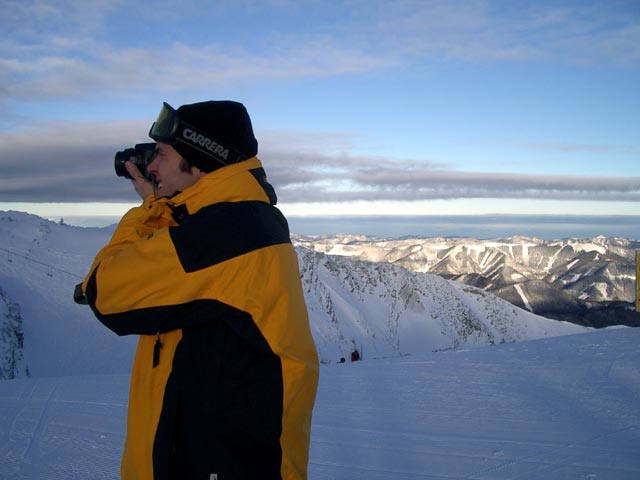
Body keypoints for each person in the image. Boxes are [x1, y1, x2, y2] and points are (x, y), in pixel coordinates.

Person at [75, 100, 319, 479]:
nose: (151, 167)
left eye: (162, 155)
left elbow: (106, 292)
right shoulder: (239, 221)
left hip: (223, 461)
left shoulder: (223, 235)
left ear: (202, 158)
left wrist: (147, 210)